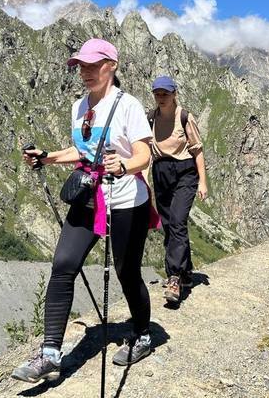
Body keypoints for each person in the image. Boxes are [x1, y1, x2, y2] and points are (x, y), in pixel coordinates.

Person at [13, 39, 158, 383]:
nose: (85, 72)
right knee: (64, 264)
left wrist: (124, 165)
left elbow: (144, 155)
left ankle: (144, 333)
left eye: (93, 65)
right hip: (90, 197)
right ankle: (49, 355)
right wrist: (47, 157)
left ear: (112, 66)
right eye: (80, 66)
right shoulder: (79, 106)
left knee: (127, 272)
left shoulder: (128, 105)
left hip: (125, 201)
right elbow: (82, 152)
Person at [149, 76, 208, 304]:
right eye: (157, 94)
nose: (161, 98)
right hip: (161, 172)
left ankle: (174, 277)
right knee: (168, 225)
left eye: (165, 93)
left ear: (174, 94)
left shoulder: (184, 117)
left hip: (185, 171)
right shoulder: (150, 118)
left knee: (177, 221)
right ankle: (186, 272)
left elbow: (197, 150)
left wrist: (203, 182)